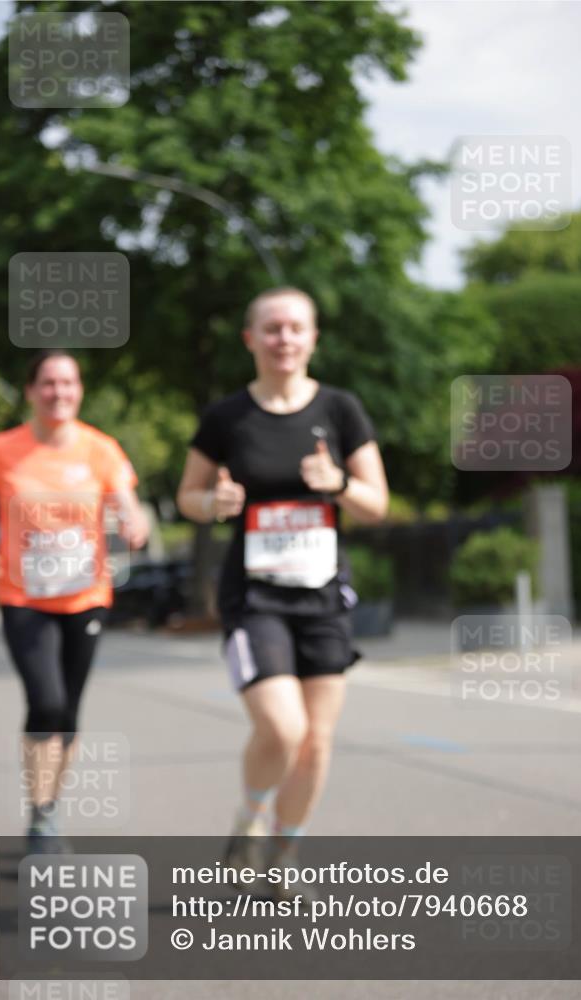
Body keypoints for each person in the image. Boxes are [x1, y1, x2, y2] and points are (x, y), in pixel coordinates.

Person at [177, 287, 389, 882]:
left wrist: (337, 482)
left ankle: (284, 854)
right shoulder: (226, 417)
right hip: (255, 597)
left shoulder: (341, 410)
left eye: (296, 327)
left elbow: (376, 503)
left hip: (322, 594)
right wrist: (213, 503)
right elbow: (188, 496)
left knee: (316, 741)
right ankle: (249, 820)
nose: (284, 339)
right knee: (283, 728)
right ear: (251, 339)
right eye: (272, 328)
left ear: (313, 338)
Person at [0, 350, 149, 851]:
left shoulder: (100, 449)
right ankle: (41, 817)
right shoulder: (1, 450)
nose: (59, 392)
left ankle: (48, 808)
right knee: (46, 701)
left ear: (79, 390)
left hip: (85, 596)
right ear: (31, 391)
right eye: (49, 383)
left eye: (68, 383)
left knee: (69, 710)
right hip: (23, 597)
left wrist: (134, 525)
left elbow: (128, 505)